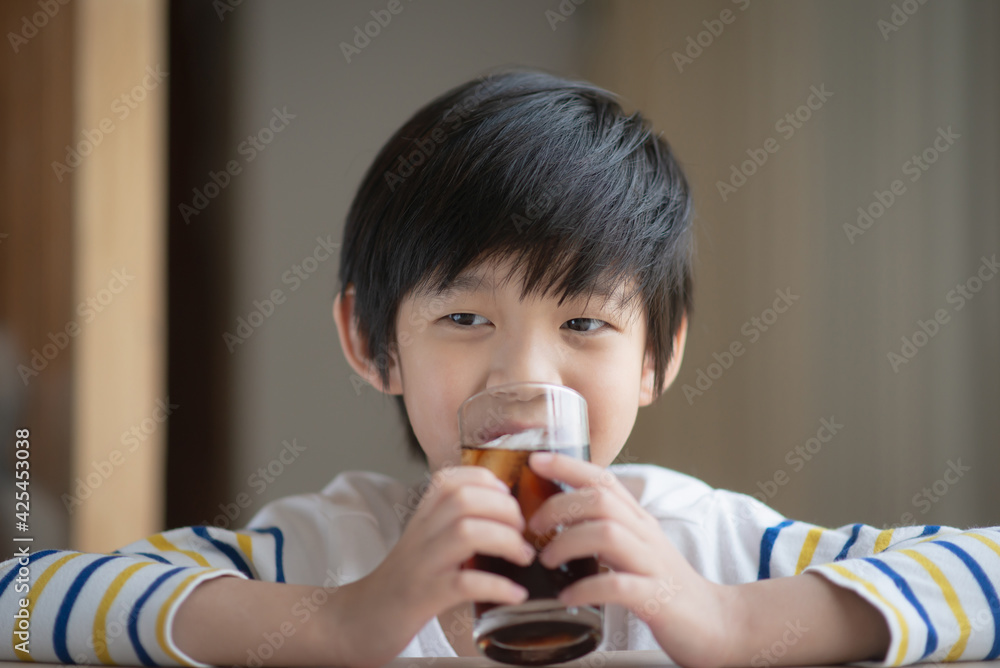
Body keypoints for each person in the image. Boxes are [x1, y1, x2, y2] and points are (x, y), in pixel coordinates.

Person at [2, 68, 998, 668]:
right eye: (467, 314)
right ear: (369, 342)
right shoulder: (325, 549)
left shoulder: (707, 542)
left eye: (585, 323)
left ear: (659, 354)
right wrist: (343, 620)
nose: (527, 376)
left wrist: (733, 618)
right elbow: (21, 601)